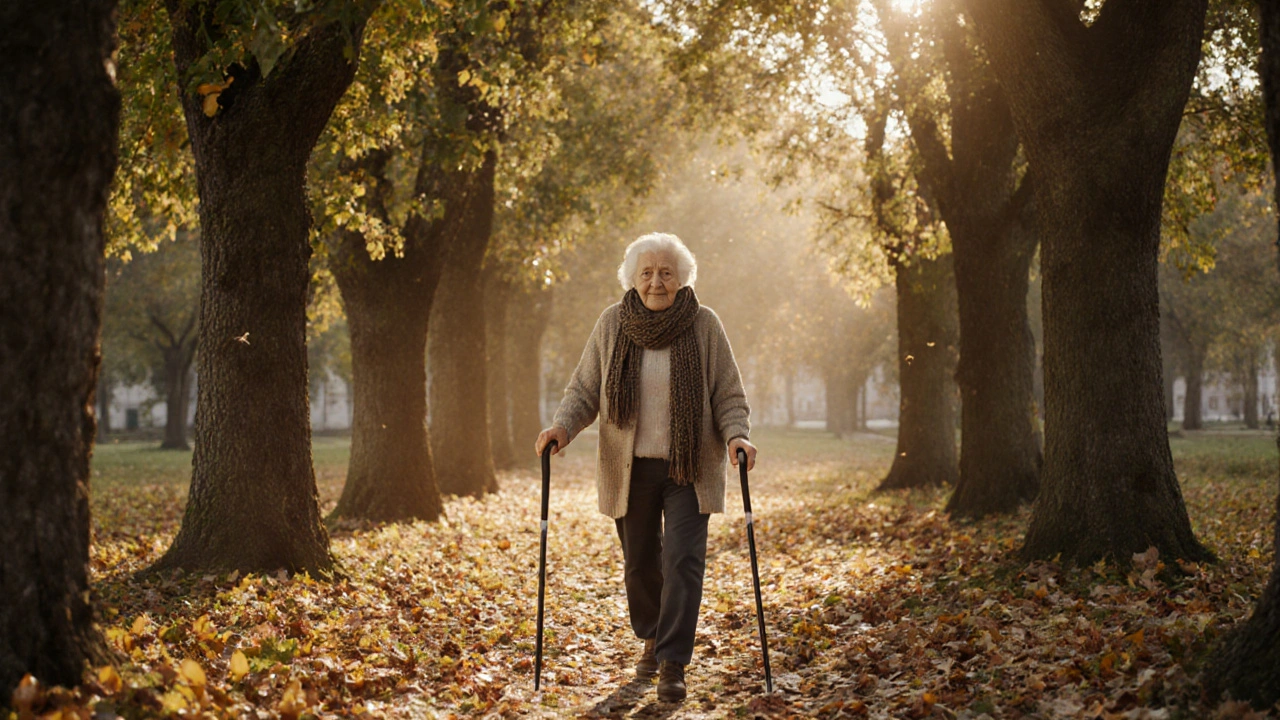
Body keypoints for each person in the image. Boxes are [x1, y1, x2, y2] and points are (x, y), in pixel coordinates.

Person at [536, 232, 757, 703]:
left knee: (682, 561)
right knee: (639, 564)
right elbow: (585, 389)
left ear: (682, 278)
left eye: (666, 273)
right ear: (633, 278)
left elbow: (728, 395)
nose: (657, 282)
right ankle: (653, 638)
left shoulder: (705, 325)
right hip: (630, 468)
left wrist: (737, 435)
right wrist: (562, 428)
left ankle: (672, 662)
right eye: (648, 273)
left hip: (688, 467)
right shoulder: (613, 324)